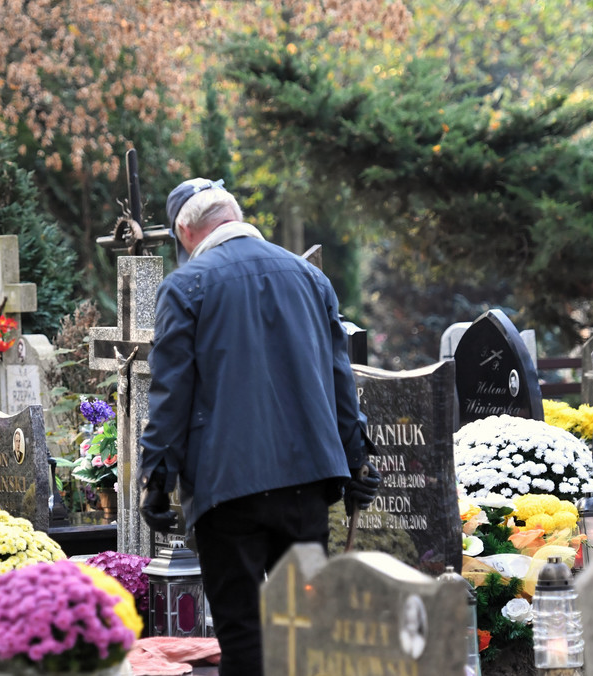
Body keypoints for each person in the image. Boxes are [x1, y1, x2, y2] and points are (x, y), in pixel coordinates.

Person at [137, 178, 382, 675]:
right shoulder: (311, 278)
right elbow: (341, 380)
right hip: (307, 482)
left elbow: (170, 394)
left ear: (185, 230)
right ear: (235, 214)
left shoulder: (186, 285)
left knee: (243, 631)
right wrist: (357, 459)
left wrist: (158, 481)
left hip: (229, 488)